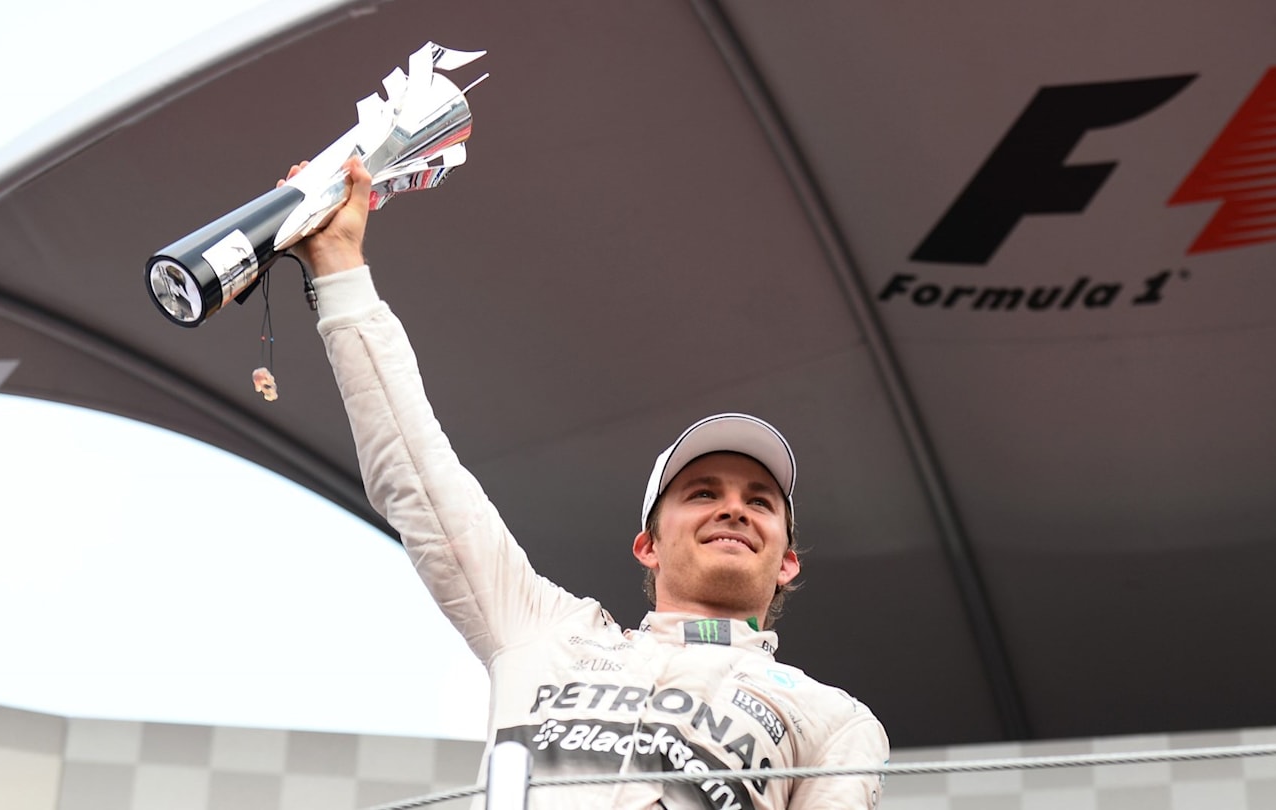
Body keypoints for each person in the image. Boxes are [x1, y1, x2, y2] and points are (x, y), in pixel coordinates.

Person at [289, 157, 890, 808]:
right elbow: (417, 472)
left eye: (761, 502)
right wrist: (340, 264)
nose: (735, 510)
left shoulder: (837, 721)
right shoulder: (542, 630)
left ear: (788, 561)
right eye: (703, 493)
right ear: (648, 545)